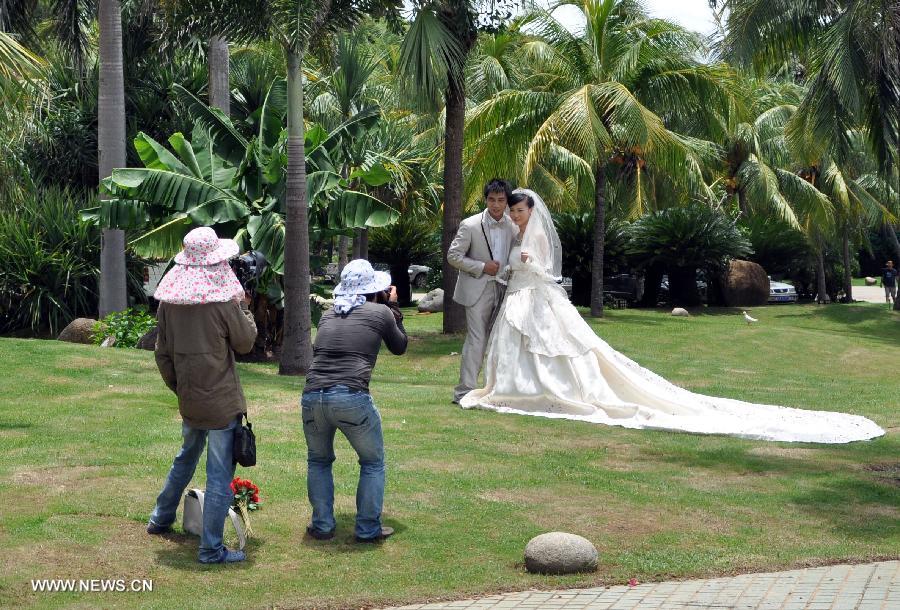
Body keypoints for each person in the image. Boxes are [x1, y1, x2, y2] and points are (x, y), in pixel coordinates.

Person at [460, 190, 885, 444]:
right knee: (524, 348)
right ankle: (511, 388)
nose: (514, 215)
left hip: (533, 296)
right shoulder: (513, 232)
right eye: (511, 210)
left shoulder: (532, 236)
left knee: (551, 348)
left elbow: (541, 266)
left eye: (519, 210)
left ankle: (532, 391)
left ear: (530, 211)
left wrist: (521, 265)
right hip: (519, 297)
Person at [147, 227, 258, 564]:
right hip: (221, 401)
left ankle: (160, 518)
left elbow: (162, 354)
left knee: (186, 457)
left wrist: (180, 388)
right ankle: (211, 548)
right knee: (219, 472)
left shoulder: (169, 303)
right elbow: (245, 342)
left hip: (190, 399)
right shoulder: (223, 302)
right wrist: (246, 310)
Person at [302, 259, 408, 543]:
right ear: (375, 289)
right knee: (372, 462)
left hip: (312, 395)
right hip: (351, 396)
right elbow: (399, 347)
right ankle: (367, 529)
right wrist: (393, 307)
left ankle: (322, 526)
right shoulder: (380, 312)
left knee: (319, 460)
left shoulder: (327, 315)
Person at [447, 178, 519, 403]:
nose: (496, 205)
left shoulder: (514, 225)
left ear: (507, 201)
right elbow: (453, 256)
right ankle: (464, 391)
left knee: (501, 340)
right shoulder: (470, 225)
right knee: (477, 339)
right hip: (477, 288)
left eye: (500, 200)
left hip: (506, 288)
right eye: (491, 199)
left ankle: (497, 389)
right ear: (485, 199)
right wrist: (481, 267)